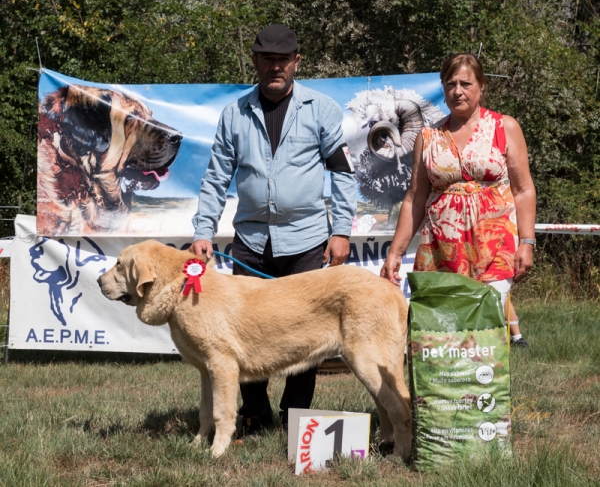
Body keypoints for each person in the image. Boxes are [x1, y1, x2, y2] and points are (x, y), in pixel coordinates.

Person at [191, 24, 357, 438]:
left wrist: (341, 231)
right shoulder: (235, 114)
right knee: (247, 330)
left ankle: (296, 415)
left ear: (297, 62)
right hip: (250, 242)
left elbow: (342, 174)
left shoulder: (321, 109)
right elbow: (215, 180)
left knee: (306, 335)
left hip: (306, 240)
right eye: (267, 59)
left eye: (283, 60)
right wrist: (202, 232)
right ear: (256, 62)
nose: (275, 67)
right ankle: (254, 412)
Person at [380, 53, 536, 346]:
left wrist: (527, 242)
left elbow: (524, 189)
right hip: (440, 252)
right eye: (450, 83)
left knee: (484, 333)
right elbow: (415, 198)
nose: (457, 91)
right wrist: (395, 254)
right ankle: (442, 391)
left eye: (466, 83)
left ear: (482, 86)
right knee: (442, 337)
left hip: (495, 248)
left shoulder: (505, 127)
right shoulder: (428, 137)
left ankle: (486, 390)